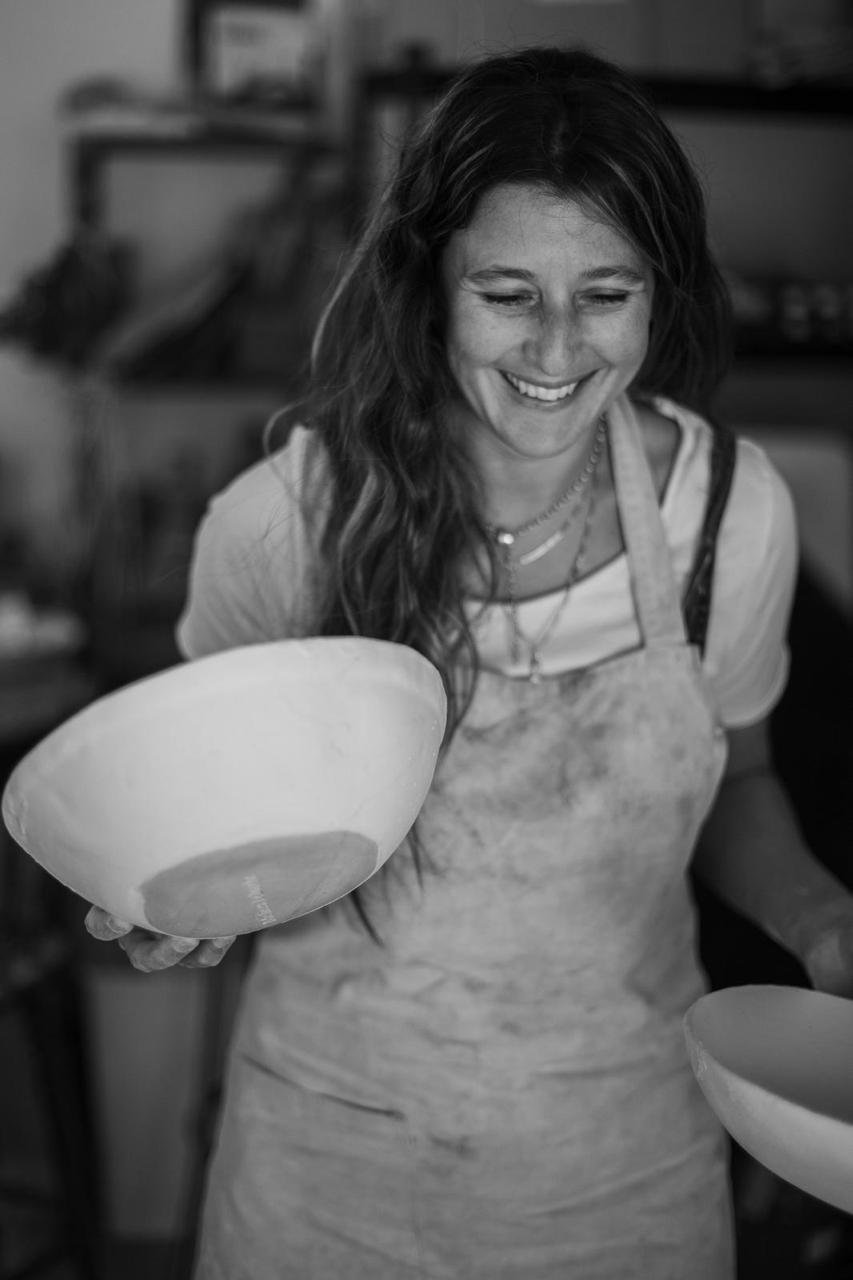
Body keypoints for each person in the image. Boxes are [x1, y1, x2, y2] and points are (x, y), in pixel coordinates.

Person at [86, 45, 853, 1279]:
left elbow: (737, 783)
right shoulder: (284, 522)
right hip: (323, 1173)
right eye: (507, 292)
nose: (558, 346)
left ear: (659, 293)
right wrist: (171, 900)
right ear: (429, 284)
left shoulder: (726, 514)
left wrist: (825, 926)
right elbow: (202, 831)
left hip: (623, 1171)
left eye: (607, 292)